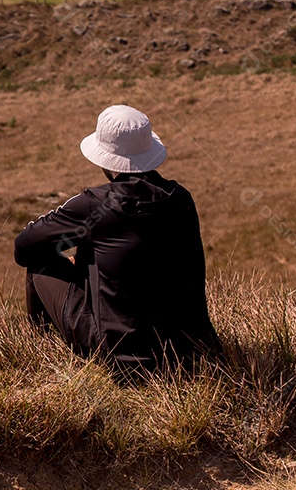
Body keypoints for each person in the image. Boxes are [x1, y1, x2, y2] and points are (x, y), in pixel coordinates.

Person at [14, 105, 221, 376]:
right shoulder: (181, 198)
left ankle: (39, 347)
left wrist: (75, 260)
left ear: (104, 158)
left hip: (125, 359)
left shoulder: (93, 205)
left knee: (40, 261)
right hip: (193, 353)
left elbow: (24, 247)